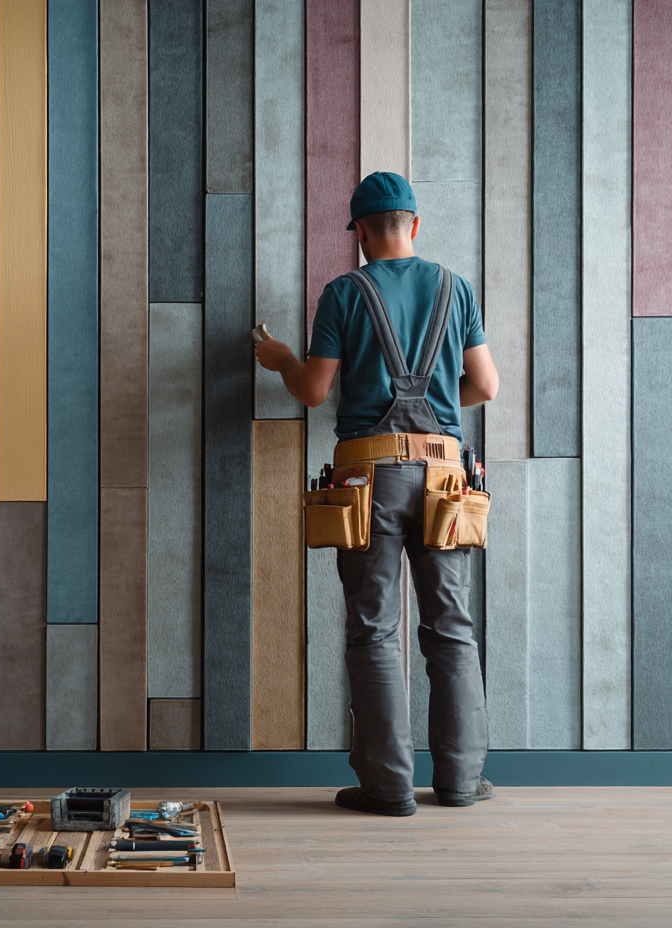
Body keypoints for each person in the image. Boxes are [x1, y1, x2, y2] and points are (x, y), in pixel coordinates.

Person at [255, 172, 500, 816]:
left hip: (368, 479)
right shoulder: (455, 288)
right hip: (447, 476)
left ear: (360, 233)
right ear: (414, 225)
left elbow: (313, 390)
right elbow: (486, 386)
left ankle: (387, 788)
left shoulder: (345, 292)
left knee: (373, 630)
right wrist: (438, 411)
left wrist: (281, 359)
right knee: (452, 627)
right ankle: (460, 781)